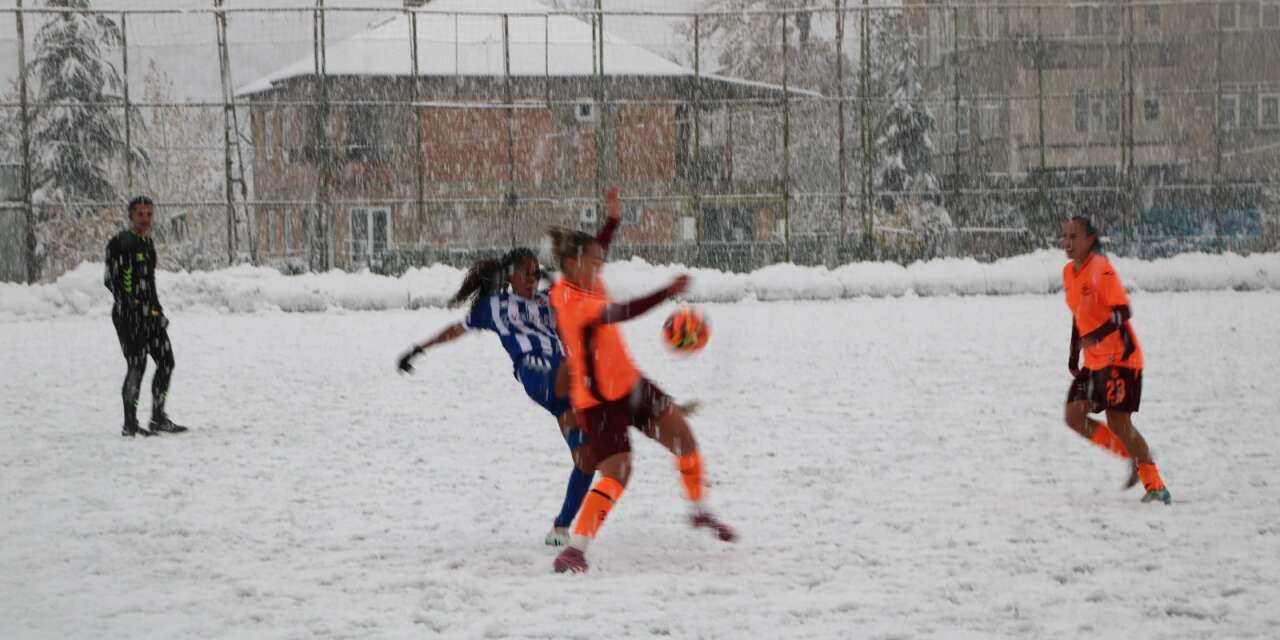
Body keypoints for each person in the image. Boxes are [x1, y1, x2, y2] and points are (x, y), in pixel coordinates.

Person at [547, 188, 736, 574]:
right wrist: (667, 291)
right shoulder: (568, 300)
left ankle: (699, 511)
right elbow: (620, 312)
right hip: (597, 402)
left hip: (630, 384)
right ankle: (575, 550)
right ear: (571, 263)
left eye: (600, 262)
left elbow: (596, 249)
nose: (599, 267)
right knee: (617, 474)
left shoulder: (586, 278)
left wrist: (613, 220)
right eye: (593, 262)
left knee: (684, 440)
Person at [396, 235, 616, 546]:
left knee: (587, 458)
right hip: (536, 372)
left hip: (565, 390)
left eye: (536, 272)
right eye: (527, 273)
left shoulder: (549, 300)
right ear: (510, 275)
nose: (533, 278)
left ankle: (560, 527)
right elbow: (457, 329)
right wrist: (420, 348)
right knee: (585, 369)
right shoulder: (496, 306)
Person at [1061, 216, 1170, 505]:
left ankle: (1156, 487)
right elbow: (1078, 315)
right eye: (1065, 236)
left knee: (1119, 423)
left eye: (1074, 236)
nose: (1068, 242)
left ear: (1089, 240)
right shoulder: (1068, 272)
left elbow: (1123, 312)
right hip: (1094, 361)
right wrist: (1074, 353)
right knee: (1073, 416)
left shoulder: (1101, 268)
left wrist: (1096, 337)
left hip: (1121, 358)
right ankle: (1131, 455)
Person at [104, 196, 187, 437]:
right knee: (137, 365)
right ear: (130, 215)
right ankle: (130, 423)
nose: (145, 219)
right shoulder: (120, 243)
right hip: (128, 316)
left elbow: (149, 283)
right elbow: (110, 279)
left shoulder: (147, 244)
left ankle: (158, 418)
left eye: (149, 214)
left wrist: (157, 311)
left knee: (166, 362)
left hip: (150, 315)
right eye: (140, 214)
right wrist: (129, 302)